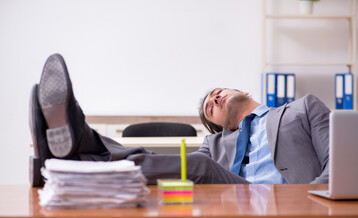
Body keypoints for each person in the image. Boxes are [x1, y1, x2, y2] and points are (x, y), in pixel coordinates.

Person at [29, 54, 329, 187]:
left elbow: (338, 160)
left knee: (195, 165)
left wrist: (309, 199)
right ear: (221, 126)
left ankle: (74, 151)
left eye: (216, 94)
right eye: (211, 107)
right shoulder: (215, 143)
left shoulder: (302, 108)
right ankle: (72, 153)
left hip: (293, 195)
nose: (214, 99)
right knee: (182, 164)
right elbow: (181, 172)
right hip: (236, 197)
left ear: (243, 91)